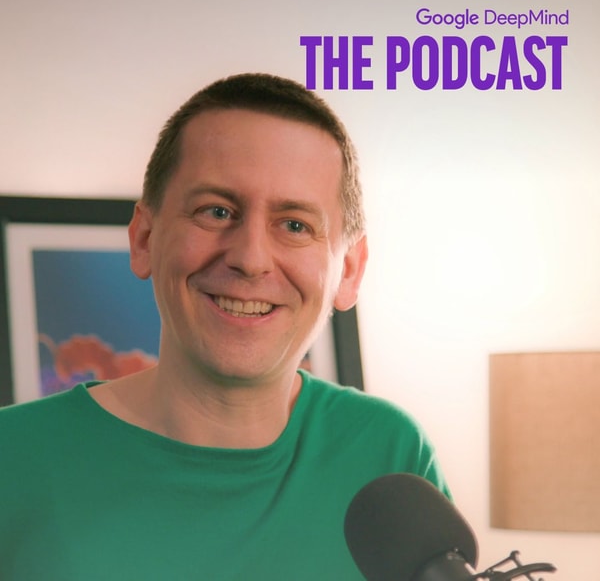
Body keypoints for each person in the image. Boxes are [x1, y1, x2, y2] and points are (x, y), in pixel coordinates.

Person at [0, 73, 449, 580]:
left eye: (295, 225)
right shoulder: (9, 457)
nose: (250, 258)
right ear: (144, 238)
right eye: (216, 211)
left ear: (349, 271)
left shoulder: (390, 452)